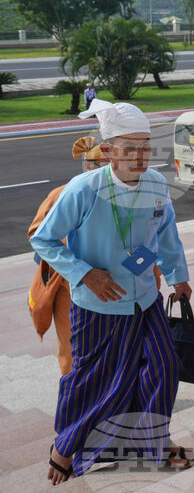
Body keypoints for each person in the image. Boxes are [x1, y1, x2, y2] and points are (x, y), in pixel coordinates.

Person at [30, 99, 192, 485]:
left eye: (146, 146)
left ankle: (155, 438)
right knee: (94, 381)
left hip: (144, 299)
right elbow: (44, 240)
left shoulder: (155, 183)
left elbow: (166, 235)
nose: (139, 156)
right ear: (107, 151)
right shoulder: (82, 190)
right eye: (129, 147)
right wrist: (85, 274)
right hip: (97, 306)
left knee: (164, 367)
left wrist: (177, 276)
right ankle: (64, 449)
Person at [27, 136, 109, 377]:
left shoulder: (125, 195)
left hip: (116, 287)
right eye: (102, 167)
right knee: (74, 350)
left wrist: (150, 274)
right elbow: (37, 235)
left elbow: (150, 237)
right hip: (70, 289)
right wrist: (78, 267)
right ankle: (76, 399)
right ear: (88, 166)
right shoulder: (63, 194)